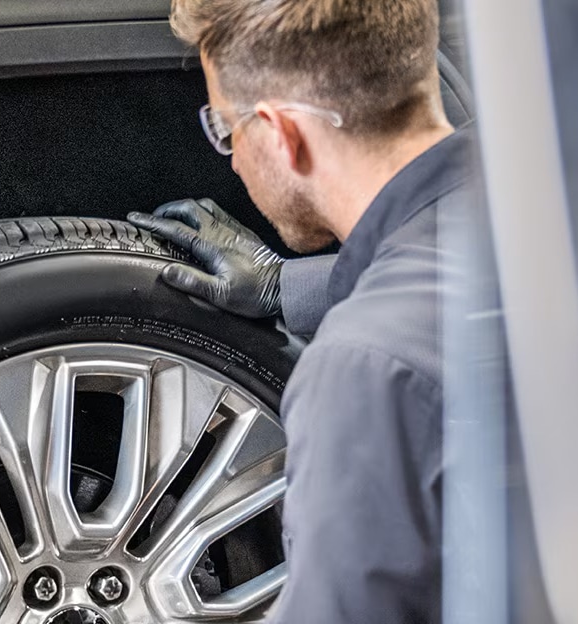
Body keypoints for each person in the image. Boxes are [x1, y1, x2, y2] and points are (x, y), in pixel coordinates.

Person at [127, 1, 475, 622]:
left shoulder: (361, 377)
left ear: (283, 132)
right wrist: (282, 287)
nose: (232, 159)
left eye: (226, 129)